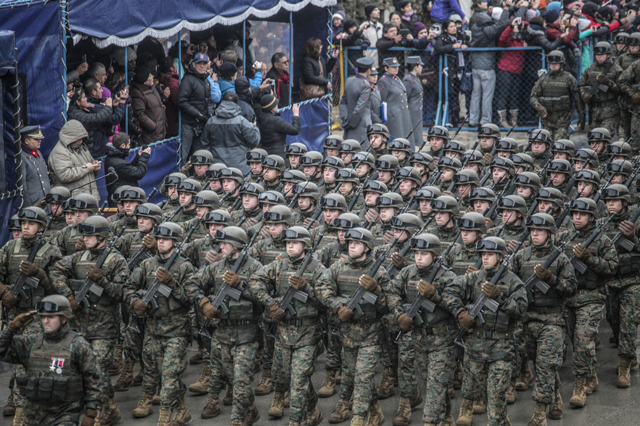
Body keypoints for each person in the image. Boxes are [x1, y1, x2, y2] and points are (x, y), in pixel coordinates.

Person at [50, 215, 129, 426]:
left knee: (96, 368)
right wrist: (67, 296)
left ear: (102, 237)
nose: (85, 238)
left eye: (90, 235)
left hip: (105, 326)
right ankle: (109, 407)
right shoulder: (78, 257)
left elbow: (122, 294)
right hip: (80, 324)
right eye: (84, 235)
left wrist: (102, 281)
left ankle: (101, 410)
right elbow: (56, 270)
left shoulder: (116, 260)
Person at [443, 236, 527, 426]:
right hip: (475, 347)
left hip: (501, 348)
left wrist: (501, 297)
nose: (485, 258)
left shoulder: (513, 281)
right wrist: (460, 312)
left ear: (500, 257)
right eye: (483, 254)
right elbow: (449, 292)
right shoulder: (474, 278)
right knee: (474, 390)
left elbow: (521, 310)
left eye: (490, 254)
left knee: (496, 396)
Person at [250, 226, 328, 426]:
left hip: (308, 332)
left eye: (295, 243)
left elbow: (326, 302)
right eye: (287, 243)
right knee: (290, 377)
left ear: (305, 245)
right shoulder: (279, 265)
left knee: (299, 378)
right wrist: (271, 303)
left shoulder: (317, 268)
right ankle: (312, 409)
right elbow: (255, 281)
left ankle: (295, 421)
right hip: (284, 333)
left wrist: (307, 288)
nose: (290, 246)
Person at [125, 222, 199, 426]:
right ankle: (182, 410)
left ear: (175, 242)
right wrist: (135, 301)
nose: (161, 242)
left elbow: (190, 298)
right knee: (158, 374)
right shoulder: (147, 265)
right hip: (152, 329)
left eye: (165, 239)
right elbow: (128, 286)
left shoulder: (184, 266)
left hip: (176, 330)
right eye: (158, 239)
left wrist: (172, 284)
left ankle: (164, 420)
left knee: (169, 376)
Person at [189, 226, 263, 425]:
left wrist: (241, 286)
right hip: (223, 333)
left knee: (241, 381)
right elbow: (191, 284)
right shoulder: (216, 267)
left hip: (247, 333)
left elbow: (264, 298)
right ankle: (250, 409)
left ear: (237, 245)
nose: (220, 247)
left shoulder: (255, 267)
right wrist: (204, 303)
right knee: (232, 379)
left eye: (225, 244)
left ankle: (237, 420)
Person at [317, 227, 390, 426]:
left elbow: (389, 306)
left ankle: (358, 417)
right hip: (347, 334)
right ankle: (375, 413)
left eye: (356, 244)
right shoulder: (338, 267)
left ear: (367, 248)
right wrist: (338, 306)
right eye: (350, 243)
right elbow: (322, 288)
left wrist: (376, 291)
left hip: (371, 334)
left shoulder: (380, 271)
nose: (352, 246)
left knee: (364, 376)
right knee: (351, 375)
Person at [509, 213, 577, 426]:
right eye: (532, 230)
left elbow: (572, 288)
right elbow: (509, 282)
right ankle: (555, 396)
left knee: (546, 365)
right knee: (540, 365)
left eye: (539, 230)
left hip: (552, 319)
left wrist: (552, 280)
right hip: (527, 318)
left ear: (549, 232)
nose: (535, 233)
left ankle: (539, 413)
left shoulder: (560, 258)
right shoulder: (521, 257)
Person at [386, 233, 458, 426]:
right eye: (416, 253)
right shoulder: (408, 273)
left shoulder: (448, 276)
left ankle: (430, 421)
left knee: (435, 386)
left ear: (434, 255)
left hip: (442, 340)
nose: (418, 257)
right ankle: (447, 416)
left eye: (424, 253)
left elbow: (456, 305)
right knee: (432, 385)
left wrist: (436, 297)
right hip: (419, 339)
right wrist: (399, 314)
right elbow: (391, 292)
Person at [0, 207, 64, 425]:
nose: (25, 226)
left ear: (41, 227)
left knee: (31, 362)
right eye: (23, 223)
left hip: (40, 316)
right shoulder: (10, 247)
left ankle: (26, 409)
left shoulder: (51, 251)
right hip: (15, 315)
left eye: (30, 223)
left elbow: (59, 289)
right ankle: (20, 405)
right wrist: (4, 293)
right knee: (19, 362)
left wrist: (40, 274)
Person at [554, 198, 618, 408]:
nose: (577, 218)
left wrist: (590, 258)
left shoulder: (602, 241)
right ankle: (590, 375)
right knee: (577, 341)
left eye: (581, 214)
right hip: (568, 297)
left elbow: (611, 269)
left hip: (591, 298)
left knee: (582, 341)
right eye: (574, 214)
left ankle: (580, 385)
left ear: (591, 217)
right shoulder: (564, 237)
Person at [0, 295, 102, 426]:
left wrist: (90, 414)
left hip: (64, 416)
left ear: (64, 319)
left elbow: (93, 381)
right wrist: (11, 329)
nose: (45, 321)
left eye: (51, 317)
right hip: (33, 417)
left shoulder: (78, 345)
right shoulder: (31, 343)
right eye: (43, 317)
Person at [201, 92, 261, 176]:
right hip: (241, 169)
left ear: (222, 101)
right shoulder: (242, 121)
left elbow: (204, 144)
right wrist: (254, 127)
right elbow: (254, 141)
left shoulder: (211, 121)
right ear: (236, 103)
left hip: (218, 169)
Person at [468, 7, 509, 126]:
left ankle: (473, 119)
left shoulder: (475, 29)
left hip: (475, 67)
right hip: (487, 68)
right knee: (487, 96)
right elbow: (501, 25)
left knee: (475, 95)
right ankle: (485, 120)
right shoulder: (488, 32)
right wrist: (506, 10)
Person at [530, 50, 584, 140]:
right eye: (551, 64)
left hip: (562, 121)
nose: (553, 65)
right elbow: (533, 96)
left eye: (556, 63)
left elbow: (577, 97)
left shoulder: (568, 78)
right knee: (546, 147)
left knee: (560, 146)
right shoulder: (543, 80)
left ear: (561, 63)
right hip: (546, 121)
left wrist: (581, 115)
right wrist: (539, 107)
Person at [49, 119, 101, 202]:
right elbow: (64, 175)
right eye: (78, 139)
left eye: (82, 138)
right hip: (74, 202)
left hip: (90, 198)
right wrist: (86, 168)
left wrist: (94, 167)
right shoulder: (59, 152)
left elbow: (89, 172)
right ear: (69, 137)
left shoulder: (82, 148)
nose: (81, 141)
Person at [579, 42, 622, 137]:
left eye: (601, 55)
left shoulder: (616, 69)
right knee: (594, 139)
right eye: (597, 55)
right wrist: (584, 95)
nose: (599, 57)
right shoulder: (589, 69)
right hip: (594, 111)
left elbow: (621, 90)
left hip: (610, 111)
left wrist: (608, 83)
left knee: (604, 138)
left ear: (608, 55)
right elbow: (582, 85)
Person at [177, 52, 212, 166]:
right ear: (193, 64)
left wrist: (209, 114)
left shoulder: (206, 79)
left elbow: (208, 100)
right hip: (188, 124)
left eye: (204, 63)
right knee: (184, 156)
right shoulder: (188, 79)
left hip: (201, 125)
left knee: (198, 156)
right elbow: (181, 101)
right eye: (199, 63)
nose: (202, 66)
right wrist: (197, 114)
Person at [434, 19, 469, 128]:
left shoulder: (461, 36)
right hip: (448, 72)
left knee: (458, 96)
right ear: (445, 29)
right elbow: (438, 48)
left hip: (460, 71)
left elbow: (469, 42)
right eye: (451, 27)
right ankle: (449, 120)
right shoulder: (442, 38)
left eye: (455, 26)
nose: (454, 28)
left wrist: (465, 46)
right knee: (449, 96)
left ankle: (455, 119)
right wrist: (452, 47)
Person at [104, 133, 151, 206]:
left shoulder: (113, 157)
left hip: (123, 198)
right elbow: (138, 173)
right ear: (123, 145)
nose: (129, 147)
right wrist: (145, 157)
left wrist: (139, 156)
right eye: (129, 145)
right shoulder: (118, 162)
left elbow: (128, 170)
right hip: (121, 202)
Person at [340, 57, 375, 145]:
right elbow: (359, 108)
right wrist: (352, 123)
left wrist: (345, 119)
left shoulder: (349, 80)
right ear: (368, 70)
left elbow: (343, 102)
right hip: (360, 126)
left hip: (349, 124)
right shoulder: (366, 85)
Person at [378, 57, 412, 144]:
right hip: (393, 117)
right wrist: (384, 119)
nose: (396, 68)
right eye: (393, 67)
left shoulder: (396, 78)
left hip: (402, 115)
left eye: (397, 66)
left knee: (405, 139)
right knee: (396, 142)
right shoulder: (383, 80)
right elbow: (382, 102)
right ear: (386, 68)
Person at [130, 66, 168, 144]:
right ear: (144, 80)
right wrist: (154, 127)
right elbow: (139, 114)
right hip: (151, 135)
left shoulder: (152, 87)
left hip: (161, 130)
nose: (153, 76)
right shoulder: (137, 93)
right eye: (150, 76)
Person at [18, 126, 51, 207]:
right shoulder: (22, 157)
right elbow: (23, 185)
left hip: (45, 200)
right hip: (34, 203)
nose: (40, 141)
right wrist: (28, 206)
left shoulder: (38, 153)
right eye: (36, 139)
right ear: (26, 141)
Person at [404, 56, 424, 149]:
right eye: (420, 65)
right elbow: (405, 98)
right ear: (415, 67)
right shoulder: (408, 79)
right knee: (412, 138)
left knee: (417, 139)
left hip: (416, 113)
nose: (422, 67)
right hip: (411, 113)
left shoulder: (415, 78)